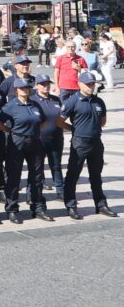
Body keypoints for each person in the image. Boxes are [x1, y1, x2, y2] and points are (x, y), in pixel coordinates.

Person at [59, 71, 117, 219]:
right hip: (80, 142)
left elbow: (103, 121)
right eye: (88, 84)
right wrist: (73, 129)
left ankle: (101, 204)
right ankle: (71, 206)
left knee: (96, 175)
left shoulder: (99, 102)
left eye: (93, 83)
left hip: (96, 142)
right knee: (73, 175)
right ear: (80, 84)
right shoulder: (73, 101)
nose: (91, 86)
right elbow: (59, 121)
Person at [0, 78, 54, 223]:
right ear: (16, 90)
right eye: (22, 88)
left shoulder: (35, 105)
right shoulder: (10, 106)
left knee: (37, 177)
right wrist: (10, 131)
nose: (25, 90)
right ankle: (12, 209)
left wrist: (32, 132)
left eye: (27, 88)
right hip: (17, 142)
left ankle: (38, 207)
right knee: (14, 177)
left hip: (34, 141)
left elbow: (42, 121)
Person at [32, 75, 65, 199]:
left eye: (47, 84)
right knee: (37, 167)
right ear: (36, 86)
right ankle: (35, 192)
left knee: (56, 165)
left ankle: (60, 190)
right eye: (42, 84)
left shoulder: (56, 99)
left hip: (56, 137)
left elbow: (62, 116)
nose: (46, 86)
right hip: (39, 139)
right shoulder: (32, 100)